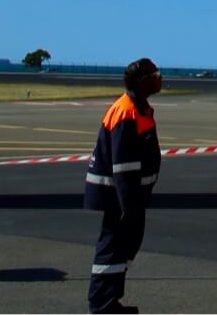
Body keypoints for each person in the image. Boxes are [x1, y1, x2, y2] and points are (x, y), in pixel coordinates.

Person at [83, 57, 162, 314]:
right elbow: (124, 165)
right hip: (119, 198)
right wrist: (128, 205)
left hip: (132, 198)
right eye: (155, 74)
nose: (160, 77)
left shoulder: (139, 108)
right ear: (142, 82)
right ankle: (101, 304)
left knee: (124, 249)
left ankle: (111, 299)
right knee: (112, 249)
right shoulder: (126, 112)